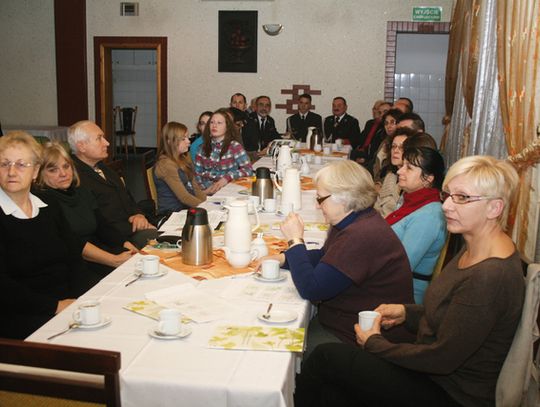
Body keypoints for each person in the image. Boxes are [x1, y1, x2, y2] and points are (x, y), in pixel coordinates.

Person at [295, 155, 524, 407]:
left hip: (449, 393)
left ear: (495, 208)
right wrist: (407, 312)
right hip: (433, 373)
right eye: (446, 195)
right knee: (331, 388)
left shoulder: (490, 275)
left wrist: (375, 344)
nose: (446, 206)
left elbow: (443, 358)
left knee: (325, 359)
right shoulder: (475, 249)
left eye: (462, 197)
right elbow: (453, 316)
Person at [258, 160, 413, 355]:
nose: (316, 205)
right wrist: (283, 259)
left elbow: (312, 289)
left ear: (345, 198)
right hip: (346, 321)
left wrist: (295, 241)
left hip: (361, 336)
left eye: (321, 198)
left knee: (278, 345)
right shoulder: (354, 220)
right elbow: (326, 257)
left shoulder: (361, 234)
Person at [0, 132, 98, 339]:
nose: (11, 171)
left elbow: (74, 257)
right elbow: (4, 287)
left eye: (21, 165)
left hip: (66, 303)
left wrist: (86, 298)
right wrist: (56, 306)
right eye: (4, 164)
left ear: (35, 171)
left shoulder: (48, 204)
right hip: (20, 315)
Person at [36, 142, 137, 277]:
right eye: (53, 170)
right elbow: (73, 242)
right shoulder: (44, 201)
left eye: (66, 166)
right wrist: (113, 260)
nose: (63, 174)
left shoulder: (82, 192)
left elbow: (103, 226)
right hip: (75, 262)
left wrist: (129, 246)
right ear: (40, 174)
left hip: (99, 251)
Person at [68, 120, 157, 249]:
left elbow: (128, 197)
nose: (107, 143)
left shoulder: (103, 168)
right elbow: (99, 223)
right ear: (81, 146)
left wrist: (139, 215)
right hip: (114, 240)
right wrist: (137, 227)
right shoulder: (74, 177)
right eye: (99, 138)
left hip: (132, 227)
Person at [386, 147, 447, 304]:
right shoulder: (413, 202)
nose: (400, 171)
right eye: (402, 165)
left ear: (428, 178)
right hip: (389, 285)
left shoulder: (429, 216)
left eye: (409, 168)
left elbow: (400, 268)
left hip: (402, 297)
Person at [194, 110, 253, 195]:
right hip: (206, 191)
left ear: (227, 127)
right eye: (212, 122)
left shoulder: (234, 146)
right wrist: (203, 190)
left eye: (219, 123)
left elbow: (248, 169)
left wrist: (226, 178)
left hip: (227, 190)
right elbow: (197, 173)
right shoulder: (202, 148)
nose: (214, 125)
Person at [154, 121, 206, 214]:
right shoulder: (165, 165)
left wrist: (206, 203)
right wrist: (205, 208)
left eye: (187, 137)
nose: (188, 141)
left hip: (185, 209)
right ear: (170, 142)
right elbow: (183, 197)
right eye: (183, 139)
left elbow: (196, 186)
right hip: (171, 213)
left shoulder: (184, 158)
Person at [373, 127, 417, 217]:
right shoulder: (391, 176)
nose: (395, 151)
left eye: (401, 147)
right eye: (393, 146)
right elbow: (377, 206)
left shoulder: (411, 182)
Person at [242, 95, 280, 160]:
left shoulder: (270, 121)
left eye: (267, 105)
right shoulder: (248, 120)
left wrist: (288, 142)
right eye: (261, 105)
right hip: (251, 157)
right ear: (256, 107)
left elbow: (275, 136)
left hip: (266, 156)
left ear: (270, 108)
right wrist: (258, 153)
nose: (264, 108)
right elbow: (245, 144)